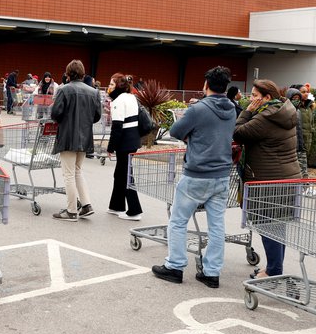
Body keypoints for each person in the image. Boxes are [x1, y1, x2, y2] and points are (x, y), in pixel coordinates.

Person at [152, 66, 236, 288]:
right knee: (216, 226)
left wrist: (193, 137)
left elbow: (175, 131)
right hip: (222, 175)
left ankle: (175, 266)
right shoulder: (232, 109)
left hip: (197, 174)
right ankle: (211, 272)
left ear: (206, 85)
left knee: (178, 221)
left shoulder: (198, 109)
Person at [233, 79, 301, 280]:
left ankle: (273, 270)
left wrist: (246, 112)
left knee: (267, 224)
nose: (251, 100)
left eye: (255, 96)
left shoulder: (266, 116)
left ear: (267, 97)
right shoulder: (283, 110)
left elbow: (238, 133)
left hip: (268, 179)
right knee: (277, 225)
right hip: (286, 177)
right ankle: (274, 267)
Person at [50, 60, 101, 222]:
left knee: (69, 174)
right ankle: (86, 205)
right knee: (78, 170)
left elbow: (55, 113)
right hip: (85, 136)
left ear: (68, 74)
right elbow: (97, 116)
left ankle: (71, 211)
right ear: (83, 74)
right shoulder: (94, 92)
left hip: (67, 136)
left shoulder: (64, 90)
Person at [105, 73, 143, 220]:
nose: (109, 87)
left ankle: (134, 210)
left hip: (125, 142)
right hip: (133, 139)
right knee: (120, 174)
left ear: (118, 86)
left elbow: (117, 126)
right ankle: (116, 206)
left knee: (126, 176)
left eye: (111, 84)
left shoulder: (118, 101)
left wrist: (110, 147)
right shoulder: (131, 97)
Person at [285, 88, 308, 178]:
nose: (296, 100)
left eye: (298, 98)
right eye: (294, 98)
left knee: (303, 171)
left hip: (300, 147)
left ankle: (305, 185)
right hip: (291, 148)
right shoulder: (285, 111)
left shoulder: (298, 111)